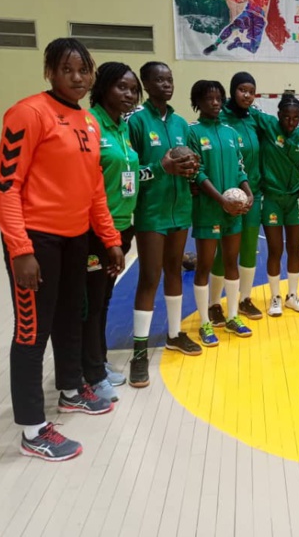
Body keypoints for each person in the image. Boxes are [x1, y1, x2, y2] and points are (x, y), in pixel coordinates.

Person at [0, 38, 124, 461]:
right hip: (37, 240)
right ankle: (33, 429)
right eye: (66, 69)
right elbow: (7, 187)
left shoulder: (88, 122)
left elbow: (94, 194)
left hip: (75, 240)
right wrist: (20, 250)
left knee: (73, 315)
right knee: (33, 331)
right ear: (49, 71)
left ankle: (71, 391)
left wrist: (110, 240)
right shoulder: (28, 113)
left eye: (84, 70)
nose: (77, 78)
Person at [128, 62, 201, 388]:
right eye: (159, 79)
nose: (166, 84)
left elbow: (193, 165)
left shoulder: (182, 123)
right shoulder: (136, 122)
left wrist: (191, 169)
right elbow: (129, 175)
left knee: (174, 271)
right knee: (149, 277)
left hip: (180, 211)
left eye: (169, 79)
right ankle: (139, 352)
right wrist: (163, 167)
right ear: (146, 83)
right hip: (151, 213)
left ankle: (174, 334)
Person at [84, 62, 142, 402]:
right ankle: (89, 373)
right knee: (90, 303)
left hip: (122, 227)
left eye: (133, 89)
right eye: (122, 87)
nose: (129, 94)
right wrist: (107, 237)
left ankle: (97, 361)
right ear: (103, 87)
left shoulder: (120, 127)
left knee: (103, 300)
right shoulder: (91, 126)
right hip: (96, 232)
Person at [187, 80, 254, 346]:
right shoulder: (193, 132)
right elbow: (197, 172)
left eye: (218, 98)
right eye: (208, 98)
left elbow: (240, 169)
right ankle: (204, 322)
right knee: (203, 266)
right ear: (198, 102)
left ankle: (233, 316)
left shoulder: (229, 132)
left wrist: (246, 194)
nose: (215, 102)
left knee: (231, 262)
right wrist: (221, 200)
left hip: (232, 212)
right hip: (208, 211)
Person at [208, 72, 264, 325]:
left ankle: (244, 299)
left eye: (251, 91)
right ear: (232, 91)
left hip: (253, 195)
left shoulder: (256, 119)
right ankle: (213, 304)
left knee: (249, 249)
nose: (247, 95)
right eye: (242, 90)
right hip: (224, 198)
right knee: (224, 253)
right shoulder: (220, 119)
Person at [253, 94, 299, 316]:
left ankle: (292, 296)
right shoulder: (268, 125)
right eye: (286, 117)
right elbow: (243, 108)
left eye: (295, 117)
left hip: (295, 198)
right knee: (275, 250)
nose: (291, 122)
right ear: (278, 116)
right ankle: (275, 297)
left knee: (295, 249)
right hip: (272, 199)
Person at [203, 0, 289, 55]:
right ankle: (215, 44)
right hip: (248, 14)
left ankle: (238, 43)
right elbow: (238, 0)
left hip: (259, 19)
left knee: (253, 49)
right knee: (233, 26)